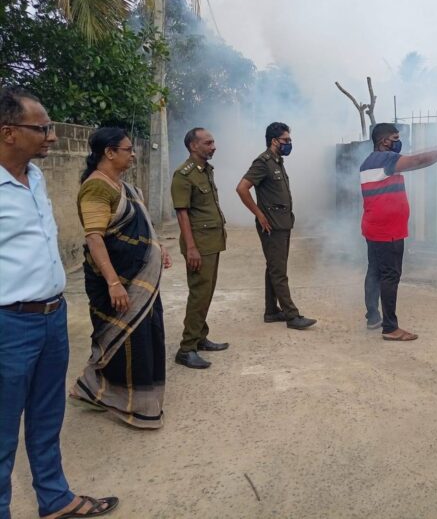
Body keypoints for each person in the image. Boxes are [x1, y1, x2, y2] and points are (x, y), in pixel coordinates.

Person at [0, 87, 118, 518]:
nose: (51, 135)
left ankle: (55, 499)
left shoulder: (35, 177)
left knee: (47, 421)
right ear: (9, 132)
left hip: (52, 317)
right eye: (42, 127)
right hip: (8, 325)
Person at [69, 127, 172, 429]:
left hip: (139, 281)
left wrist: (158, 248)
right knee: (124, 342)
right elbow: (95, 238)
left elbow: (144, 226)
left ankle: (96, 391)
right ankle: (128, 404)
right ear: (109, 152)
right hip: (115, 283)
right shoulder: (97, 188)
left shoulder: (124, 187)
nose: (133, 154)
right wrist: (114, 282)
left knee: (143, 337)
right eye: (128, 150)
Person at [360, 123, 437, 341]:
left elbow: (415, 156)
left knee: (374, 271)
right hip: (388, 231)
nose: (400, 142)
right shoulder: (385, 160)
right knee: (390, 276)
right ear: (384, 141)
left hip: (374, 227)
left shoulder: (369, 162)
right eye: (396, 138)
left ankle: (373, 317)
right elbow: (417, 160)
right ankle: (390, 328)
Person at [235, 122, 316, 330]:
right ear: (274, 141)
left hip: (282, 223)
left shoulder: (277, 161)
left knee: (274, 266)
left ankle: (271, 311)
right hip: (271, 226)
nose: (289, 144)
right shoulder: (263, 162)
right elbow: (242, 188)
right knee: (279, 271)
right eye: (286, 140)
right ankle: (292, 315)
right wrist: (259, 214)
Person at [171, 128, 229, 369]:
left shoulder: (205, 171)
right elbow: (182, 213)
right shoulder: (183, 175)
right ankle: (186, 349)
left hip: (211, 241)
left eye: (213, 142)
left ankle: (200, 336)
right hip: (199, 245)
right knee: (199, 294)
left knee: (206, 292)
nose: (213, 146)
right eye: (208, 143)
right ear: (193, 146)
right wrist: (191, 248)